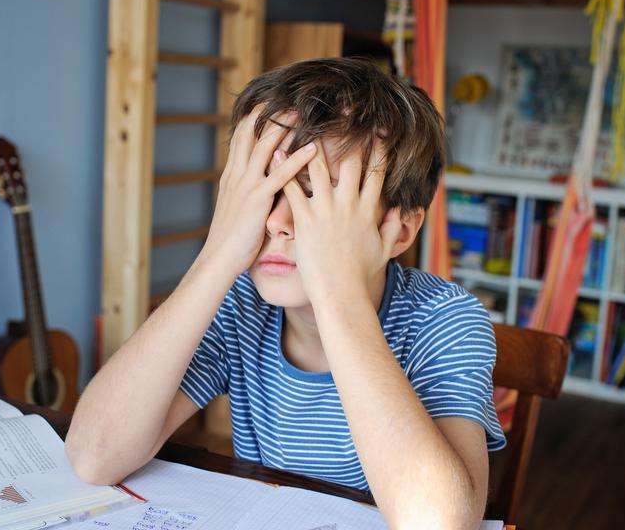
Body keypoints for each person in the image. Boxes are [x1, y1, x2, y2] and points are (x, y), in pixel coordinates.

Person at [66, 58, 505, 529]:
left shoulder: (444, 319)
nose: (278, 221)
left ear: (399, 231)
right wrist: (217, 256)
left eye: (319, 196)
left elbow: (440, 522)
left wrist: (339, 288)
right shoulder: (241, 304)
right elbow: (94, 456)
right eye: (265, 191)